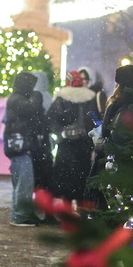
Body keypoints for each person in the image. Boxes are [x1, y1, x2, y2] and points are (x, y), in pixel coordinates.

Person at [89, 64, 133, 208]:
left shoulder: (124, 110)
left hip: (116, 172)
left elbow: (118, 141)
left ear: (122, 86)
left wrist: (101, 142)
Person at [47, 69, 104, 205]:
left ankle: (66, 205)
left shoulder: (61, 97)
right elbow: (94, 120)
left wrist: (61, 134)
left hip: (66, 143)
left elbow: (52, 120)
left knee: (65, 176)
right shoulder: (90, 98)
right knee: (82, 175)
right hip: (84, 144)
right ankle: (81, 205)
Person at [3, 71, 47, 226]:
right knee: (24, 182)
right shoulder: (17, 99)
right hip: (21, 146)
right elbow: (32, 109)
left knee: (21, 181)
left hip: (18, 145)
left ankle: (20, 213)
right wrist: (37, 97)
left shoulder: (15, 98)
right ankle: (21, 215)